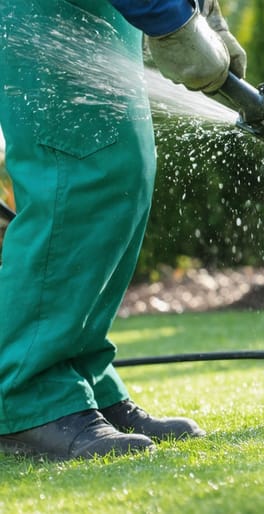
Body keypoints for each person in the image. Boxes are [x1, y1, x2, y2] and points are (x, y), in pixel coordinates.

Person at [0, 0, 246, 460]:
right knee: (76, 173)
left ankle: (80, 381)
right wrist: (173, 20)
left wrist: (205, 13)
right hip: (42, 11)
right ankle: (27, 395)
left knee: (123, 172)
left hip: (106, 14)